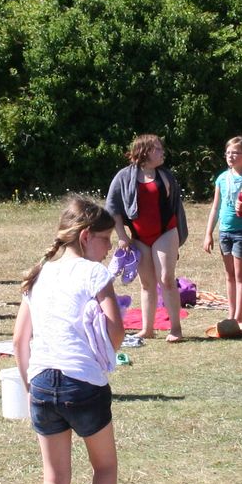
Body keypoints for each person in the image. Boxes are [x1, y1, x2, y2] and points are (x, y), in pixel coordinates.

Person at [12, 196, 124, 484]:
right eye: (106, 240)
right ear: (87, 236)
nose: (109, 248)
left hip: (43, 382)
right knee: (105, 467)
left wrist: (30, 385)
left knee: (55, 479)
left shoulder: (40, 274)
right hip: (83, 383)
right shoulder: (95, 274)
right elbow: (116, 330)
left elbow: (19, 340)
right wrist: (105, 349)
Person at [105, 134, 188, 343]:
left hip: (165, 232)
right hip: (139, 236)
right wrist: (122, 236)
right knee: (147, 283)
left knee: (166, 279)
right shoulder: (124, 176)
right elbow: (112, 208)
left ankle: (176, 329)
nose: (162, 152)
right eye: (158, 149)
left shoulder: (165, 176)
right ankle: (147, 329)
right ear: (145, 151)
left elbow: (175, 207)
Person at [205, 136, 242, 329]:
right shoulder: (222, 178)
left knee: (241, 275)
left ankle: (239, 318)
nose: (230, 156)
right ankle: (230, 315)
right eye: (228, 153)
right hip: (225, 232)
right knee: (229, 275)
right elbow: (215, 207)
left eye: (235, 153)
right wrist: (208, 233)